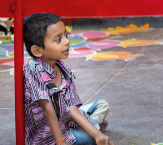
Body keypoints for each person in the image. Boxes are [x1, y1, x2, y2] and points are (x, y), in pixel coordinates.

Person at [23, 13, 113, 145]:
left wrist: (96, 134)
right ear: (37, 51)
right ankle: (91, 126)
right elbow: (48, 109)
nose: (67, 41)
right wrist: (60, 141)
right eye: (58, 39)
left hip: (66, 121)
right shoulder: (33, 70)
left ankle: (91, 126)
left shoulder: (63, 70)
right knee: (94, 139)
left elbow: (72, 108)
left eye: (65, 35)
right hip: (49, 137)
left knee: (102, 105)